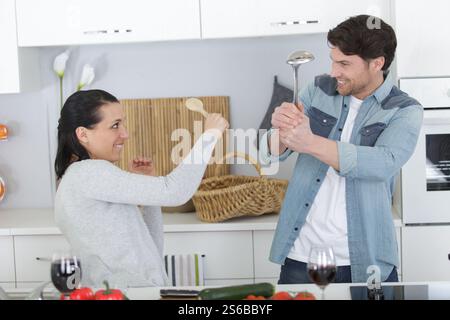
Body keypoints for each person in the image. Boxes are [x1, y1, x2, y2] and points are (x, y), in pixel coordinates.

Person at [259, 15, 423, 284]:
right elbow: (274, 153)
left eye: (344, 63)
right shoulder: (318, 89)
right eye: (333, 60)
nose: (334, 71)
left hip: (366, 258)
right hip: (302, 255)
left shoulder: (404, 110)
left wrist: (310, 141)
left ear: (377, 63)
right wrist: (280, 130)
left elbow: (382, 163)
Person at [54, 89, 228, 288]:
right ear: (83, 134)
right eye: (115, 125)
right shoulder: (88, 173)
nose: (125, 134)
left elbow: (151, 251)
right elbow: (175, 191)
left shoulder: (80, 177)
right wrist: (210, 136)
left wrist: (148, 197)